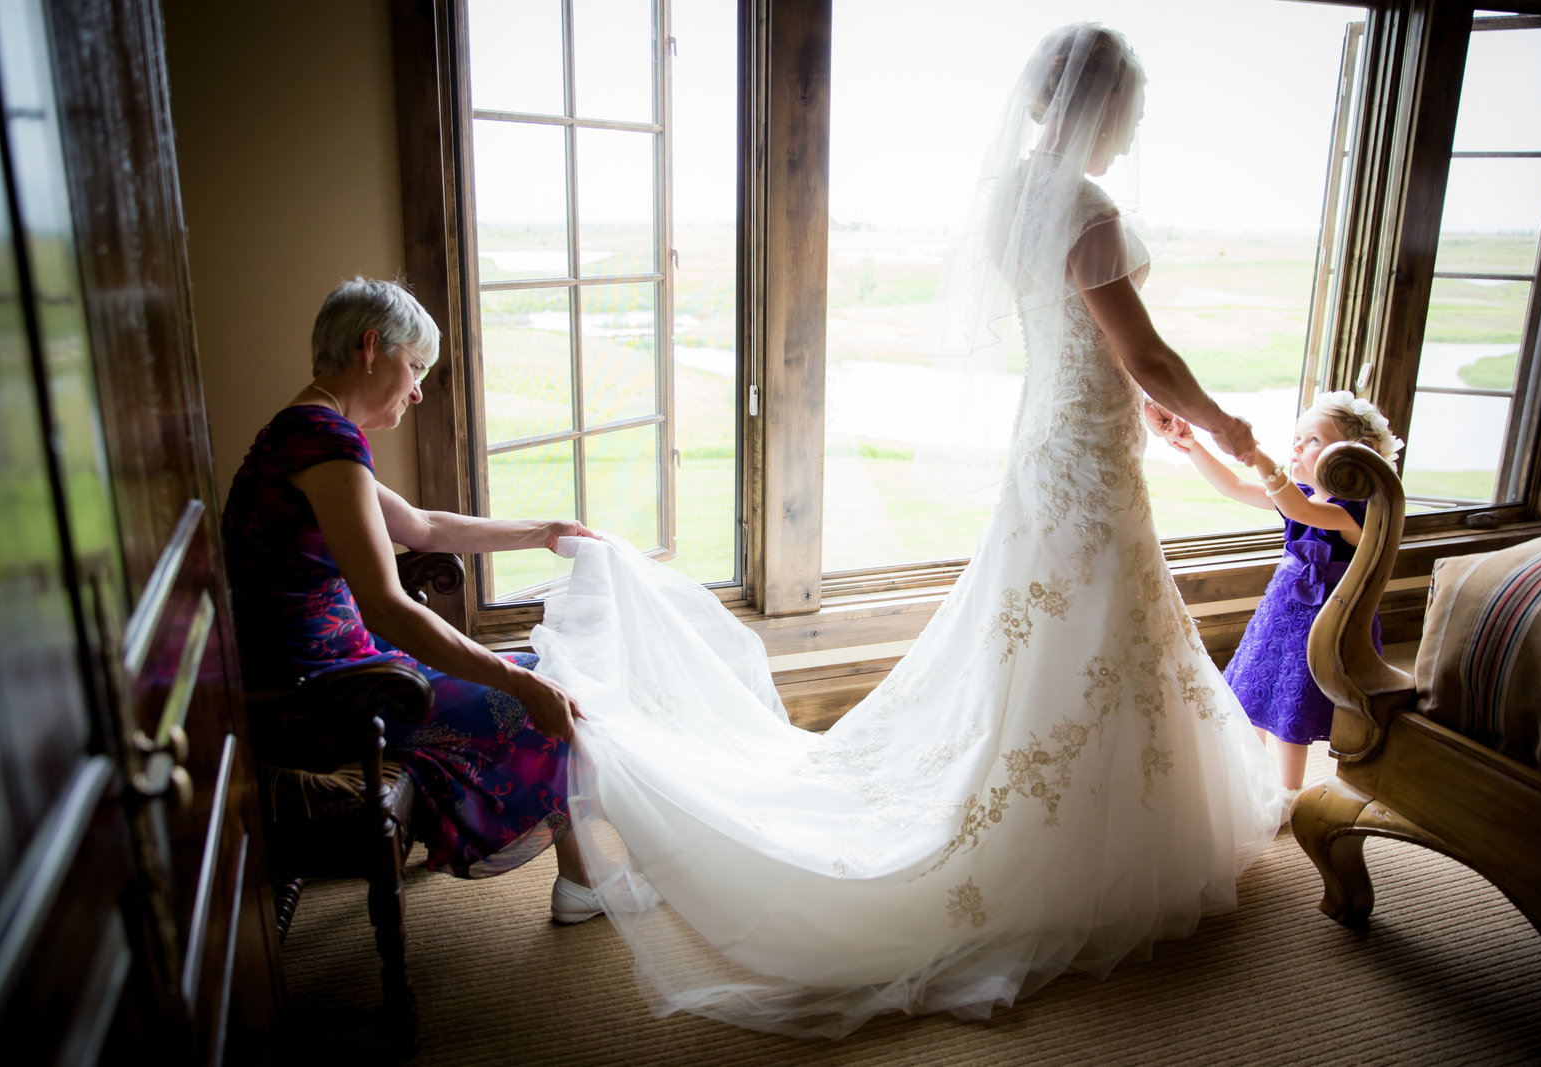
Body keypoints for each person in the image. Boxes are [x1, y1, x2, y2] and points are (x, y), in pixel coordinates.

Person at [527, 22, 1284, 1038]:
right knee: (1092, 623)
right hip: (1085, 454)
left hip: (1053, 439)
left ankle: (1079, 799)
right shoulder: (1087, 208)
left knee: (1053, 626)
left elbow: (1080, 337)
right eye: (1130, 111)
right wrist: (1225, 424)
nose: (1131, 130)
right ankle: (1068, 834)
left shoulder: (1016, 197)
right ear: (1102, 105)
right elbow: (1140, 351)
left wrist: (1141, 399)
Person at [222, 277, 604, 918]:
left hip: (323, 665)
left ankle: (580, 878)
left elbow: (422, 527)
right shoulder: (326, 443)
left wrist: (544, 531)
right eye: (416, 366)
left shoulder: (300, 432)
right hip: (325, 692)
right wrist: (516, 681)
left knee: (547, 676)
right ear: (372, 347)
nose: (419, 389)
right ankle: (582, 882)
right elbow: (387, 607)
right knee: (544, 689)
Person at [1156, 391, 1403, 801]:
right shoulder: (1300, 495)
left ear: (1353, 458)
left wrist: (1258, 457)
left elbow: (1301, 512)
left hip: (1325, 624)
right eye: (1297, 438)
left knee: (1294, 705)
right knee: (1253, 691)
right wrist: (1193, 445)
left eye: (1314, 440)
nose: (1298, 448)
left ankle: (1289, 792)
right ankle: (1248, 773)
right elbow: (1234, 486)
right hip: (1280, 614)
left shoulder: (1353, 512)